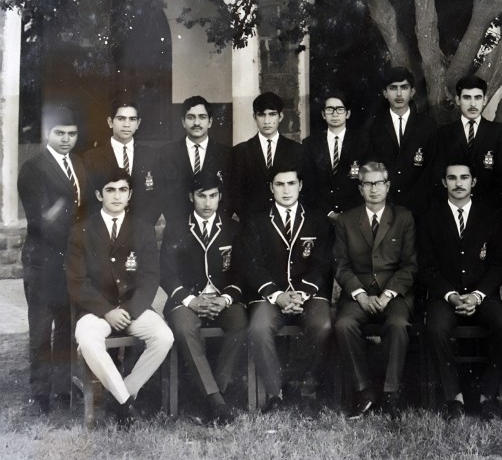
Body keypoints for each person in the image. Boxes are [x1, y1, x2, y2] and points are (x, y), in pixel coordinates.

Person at [66, 168, 174, 428]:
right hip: (96, 310)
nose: (117, 196)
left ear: (130, 195)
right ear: (99, 195)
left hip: (132, 308)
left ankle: (121, 395)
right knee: (87, 339)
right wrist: (106, 311)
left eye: (123, 190)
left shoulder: (143, 229)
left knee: (164, 337)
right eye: (110, 190)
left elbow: (150, 278)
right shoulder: (81, 231)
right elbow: (77, 282)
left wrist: (129, 310)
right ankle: (125, 405)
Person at [419, 162, 502, 420]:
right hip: (445, 297)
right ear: (443, 182)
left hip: (482, 295)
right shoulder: (430, 218)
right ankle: (454, 399)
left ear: (474, 181)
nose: (458, 183)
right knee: (435, 328)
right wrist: (451, 295)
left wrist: (477, 296)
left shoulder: (490, 216)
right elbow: (426, 267)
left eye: (464, 177)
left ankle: (487, 397)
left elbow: (498, 264)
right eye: (452, 178)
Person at [238, 164, 333, 412]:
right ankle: (275, 393)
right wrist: (277, 295)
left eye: (291, 183)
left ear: (300, 186)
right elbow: (252, 265)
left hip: (308, 295)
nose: (286, 190)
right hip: (271, 296)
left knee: (323, 326)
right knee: (259, 328)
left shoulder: (317, 220)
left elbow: (323, 264)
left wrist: (301, 293)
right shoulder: (257, 221)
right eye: (279, 184)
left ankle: (306, 388)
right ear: (271, 188)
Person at [159, 171, 247, 424]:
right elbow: (167, 274)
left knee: (240, 322)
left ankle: (215, 394)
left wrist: (225, 299)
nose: (208, 203)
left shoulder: (232, 228)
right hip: (187, 300)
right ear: (191, 197)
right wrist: (191, 300)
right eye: (201, 196)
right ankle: (217, 402)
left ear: (220, 196)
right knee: (184, 327)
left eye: (213, 196)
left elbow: (241, 273)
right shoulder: (176, 228)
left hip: (222, 299)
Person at [333, 161, 417, 419]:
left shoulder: (403, 217)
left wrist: (388, 294)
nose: (373, 189)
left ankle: (391, 393)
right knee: (344, 325)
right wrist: (360, 295)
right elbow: (341, 265)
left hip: (393, 294)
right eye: (367, 184)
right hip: (358, 294)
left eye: (378, 183)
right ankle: (365, 391)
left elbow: (409, 265)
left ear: (387, 186)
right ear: (360, 189)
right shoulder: (346, 220)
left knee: (398, 324)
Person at [17, 104, 87, 413]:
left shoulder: (79, 165)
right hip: (43, 262)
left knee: (67, 326)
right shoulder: (33, 169)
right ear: (48, 133)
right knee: (42, 330)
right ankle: (40, 395)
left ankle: (63, 390)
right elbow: (41, 220)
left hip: (71, 262)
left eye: (72, 134)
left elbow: (86, 209)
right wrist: (79, 238)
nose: (66, 139)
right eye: (60, 133)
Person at [365, 66, 437, 216]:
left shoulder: (427, 125)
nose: (399, 94)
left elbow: (431, 168)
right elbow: (371, 166)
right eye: (393, 88)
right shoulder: (375, 126)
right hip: (385, 206)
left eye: (404, 87)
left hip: (420, 207)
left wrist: (412, 202)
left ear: (412, 91)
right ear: (385, 93)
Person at [435, 76, 502, 210]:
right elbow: (438, 175)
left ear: (484, 100)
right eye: (467, 98)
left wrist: (487, 208)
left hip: (489, 209)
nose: (472, 104)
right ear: (458, 100)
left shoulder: (498, 132)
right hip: (454, 208)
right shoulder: (444, 133)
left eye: (477, 98)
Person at [83, 98, 161, 224]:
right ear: (110, 122)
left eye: (132, 119)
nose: (126, 124)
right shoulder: (92, 157)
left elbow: (158, 196)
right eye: (121, 119)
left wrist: (144, 225)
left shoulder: (152, 155)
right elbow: (90, 198)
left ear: (138, 123)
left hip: (141, 227)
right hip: (106, 227)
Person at [157, 95, 232, 224]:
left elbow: (230, 194)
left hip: (215, 225)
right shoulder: (166, 153)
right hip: (178, 225)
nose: (196, 123)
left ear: (210, 122)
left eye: (202, 117)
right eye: (191, 117)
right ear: (183, 121)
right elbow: (162, 193)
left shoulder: (226, 154)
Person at [230, 92, 304, 222]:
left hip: (287, 221)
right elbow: (235, 192)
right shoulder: (240, 151)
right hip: (252, 223)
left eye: (272, 114)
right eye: (261, 115)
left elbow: (303, 189)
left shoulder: (296, 150)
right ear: (254, 117)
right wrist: (250, 219)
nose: (267, 121)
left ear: (281, 116)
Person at [302, 90, 370, 221]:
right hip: (322, 215)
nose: (334, 114)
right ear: (323, 114)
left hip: (354, 215)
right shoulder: (310, 144)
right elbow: (309, 184)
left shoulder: (362, 142)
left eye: (339, 109)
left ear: (347, 113)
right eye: (329, 109)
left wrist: (347, 214)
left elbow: (366, 181)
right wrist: (329, 213)